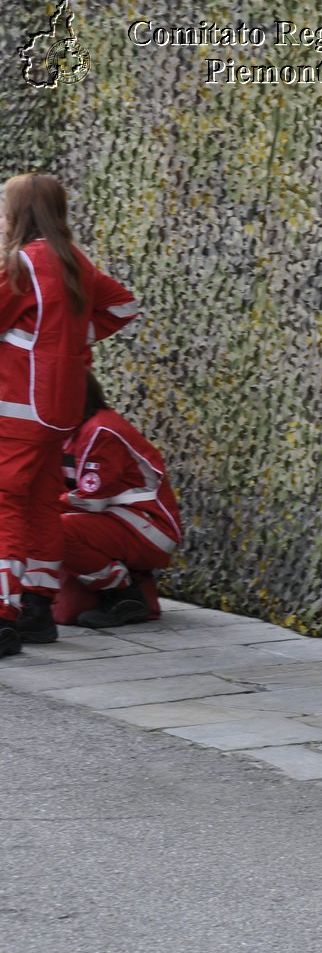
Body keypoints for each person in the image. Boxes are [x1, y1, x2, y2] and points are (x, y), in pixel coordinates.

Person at [0, 173, 139, 654]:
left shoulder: (19, 264)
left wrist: (31, 345)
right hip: (59, 411)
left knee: (6, 505)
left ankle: (3, 616)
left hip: (16, 407)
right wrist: (67, 345)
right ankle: (37, 610)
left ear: (17, 212)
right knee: (40, 503)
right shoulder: (72, 261)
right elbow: (125, 305)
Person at [56, 372, 181, 629]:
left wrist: (38, 510)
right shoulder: (76, 430)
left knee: (54, 530)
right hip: (125, 521)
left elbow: (91, 499)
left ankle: (123, 593)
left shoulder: (100, 431)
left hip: (149, 527)